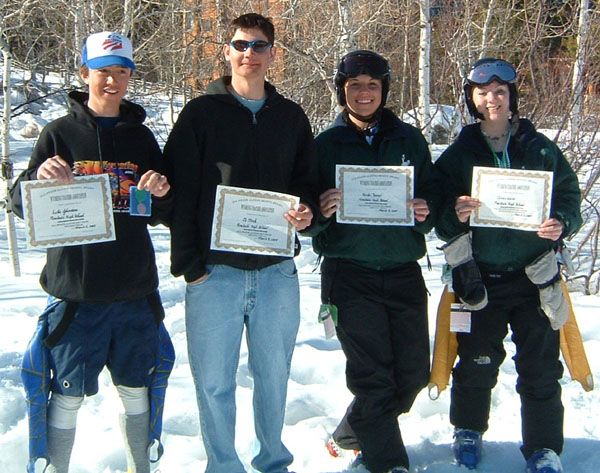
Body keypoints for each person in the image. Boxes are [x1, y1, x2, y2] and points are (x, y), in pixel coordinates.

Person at [10, 31, 173, 473]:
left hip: (133, 292)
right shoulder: (58, 133)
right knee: (65, 394)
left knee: (138, 390)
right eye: (103, 71)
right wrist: (37, 178)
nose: (112, 81)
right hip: (76, 293)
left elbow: (161, 211)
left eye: (122, 72)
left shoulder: (141, 138)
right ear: (84, 73)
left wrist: (159, 190)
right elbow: (19, 203)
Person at [162, 13, 317, 473]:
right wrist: (192, 266)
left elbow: (306, 183)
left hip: (275, 274)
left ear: (273, 54)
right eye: (240, 44)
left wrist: (305, 213)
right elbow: (180, 192)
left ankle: (273, 463)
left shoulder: (290, 117)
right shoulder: (200, 114)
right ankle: (224, 466)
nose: (249, 53)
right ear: (226, 51)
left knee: (274, 378)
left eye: (259, 45)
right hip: (216, 275)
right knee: (213, 383)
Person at [434, 57, 582, 473]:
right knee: (476, 362)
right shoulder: (460, 153)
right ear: (472, 98)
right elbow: (438, 213)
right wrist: (456, 213)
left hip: (535, 276)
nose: (492, 99)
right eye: (483, 92)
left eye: (500, 91)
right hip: (479, 278)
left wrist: (562, 224)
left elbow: (569, 198)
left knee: (539, 369)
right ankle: (467, 429)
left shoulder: (539, 148)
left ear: (511, 96)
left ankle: (543, 448)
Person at [306, 50, 439, 473]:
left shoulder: (409, 141)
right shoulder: (325, 146)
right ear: (342, 90)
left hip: (402, 270)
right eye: (355, 85)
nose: (364, 94)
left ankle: (350, 432)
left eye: (372, 85)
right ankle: (387, 463)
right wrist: (320, 212)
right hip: (349, 273)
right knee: (373, 379)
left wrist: (425, 211)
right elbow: (304, 215)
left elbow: (433, 201)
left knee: (413, 373)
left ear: (384, 90)